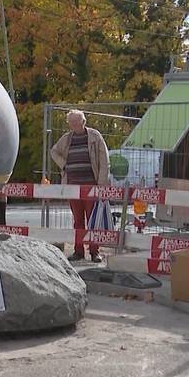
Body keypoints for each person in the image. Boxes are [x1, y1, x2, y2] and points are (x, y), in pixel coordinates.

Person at [50, 110, 110, 263]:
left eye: (77, 122)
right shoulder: (66, 138)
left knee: (92, 220)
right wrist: (64, 165)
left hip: (91, 186)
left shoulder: (95, 137)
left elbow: (104, 161)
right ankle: (78, 251)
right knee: (78, 220)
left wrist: (102, 184)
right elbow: (54, 152)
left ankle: (95, 252)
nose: (75, 125)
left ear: (83, 122)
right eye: (72, 123)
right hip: (72, 186)